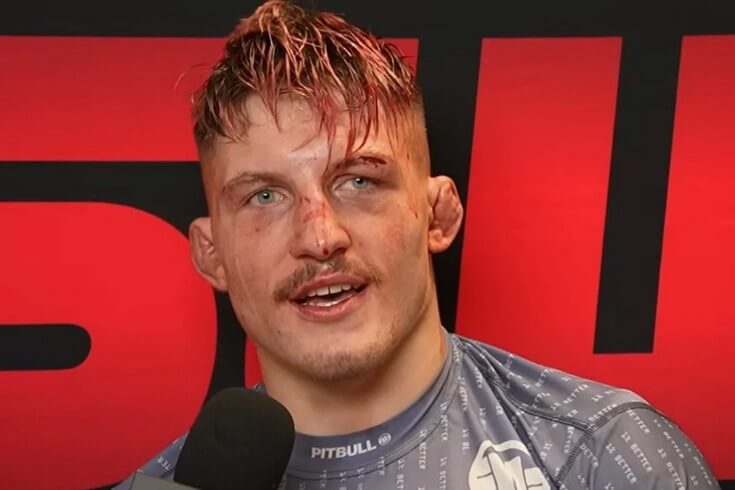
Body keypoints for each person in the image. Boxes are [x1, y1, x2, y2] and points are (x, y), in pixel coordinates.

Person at [116, 1, 719, 488]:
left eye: (358, 181)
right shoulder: (161, 485)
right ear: (211, 253)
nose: (320, 237)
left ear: (438, 214)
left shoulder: (604, 460)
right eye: (265, 196)